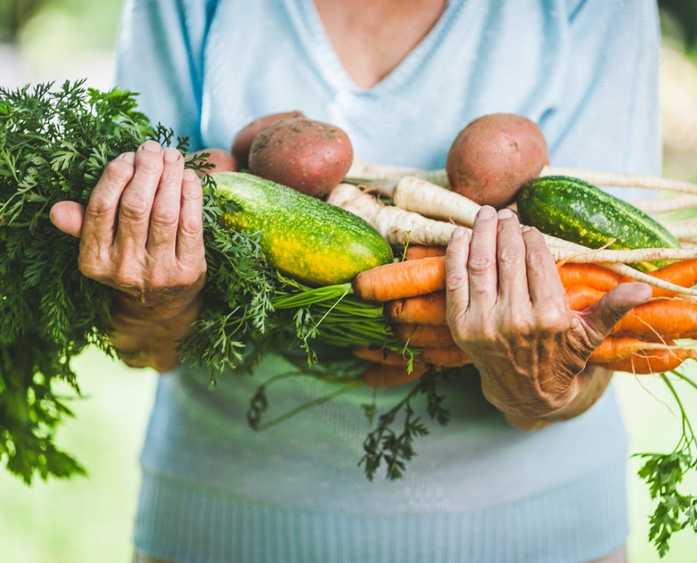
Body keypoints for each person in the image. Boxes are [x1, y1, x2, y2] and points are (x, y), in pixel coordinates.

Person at [49, 1, 661, 561]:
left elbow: (605, 323)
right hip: (226, 526)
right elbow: (144, 346)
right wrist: (152, 305)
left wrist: (540, 387)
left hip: (538, 537)